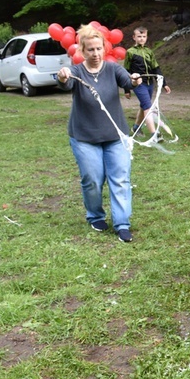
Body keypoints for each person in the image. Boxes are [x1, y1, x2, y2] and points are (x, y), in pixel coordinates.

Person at [57, 25, 143, 243]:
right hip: (85, 137)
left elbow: (128, 82)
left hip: (116, 137)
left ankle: (122, 224)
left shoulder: (113, 69)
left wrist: (134, 80)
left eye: (99, 49)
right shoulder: (76, 71)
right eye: (90, 50)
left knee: (121, 179)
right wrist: (62, 77)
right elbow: (64, 84)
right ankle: (95, 215)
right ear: (82, 52)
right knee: (93, 180)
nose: (95, 54)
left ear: (105, 48)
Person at [124, 26, 171, 140]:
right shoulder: (130, 52)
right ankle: (154, 134)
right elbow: (126, 71)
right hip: (139, 84)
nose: (141, 39)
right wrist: (127, 89)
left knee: (144, 106)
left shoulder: (149, 52)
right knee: (148, 108)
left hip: (150, 84)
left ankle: (136, 127)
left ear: (146, 37)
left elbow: (156, 68)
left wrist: (164, 83)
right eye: (139, 36)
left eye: (144, 36)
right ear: (134, 37)